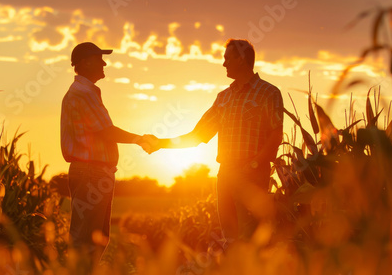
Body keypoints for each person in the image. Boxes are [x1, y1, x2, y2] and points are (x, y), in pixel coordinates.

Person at [146, 39, 283, 244]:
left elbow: (276, 134)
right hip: (226, 174)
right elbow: (197, 135)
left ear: (242, 59)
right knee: (229, 239)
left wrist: (254, 164)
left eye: (228, 58)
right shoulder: (223, 98)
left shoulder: (268, 93)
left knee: (250, 238)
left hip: (253, 175)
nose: (224, 64)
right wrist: (160, 143)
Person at [61, 42, 149, 265]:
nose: (104, 62)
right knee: (86, 243)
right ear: (83, 63)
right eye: (98, 58)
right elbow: (107, 131)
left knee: (95, 240)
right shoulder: (84, 93)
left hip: (93, 172)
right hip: (92, 172)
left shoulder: (83, 92)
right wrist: (140, 139)